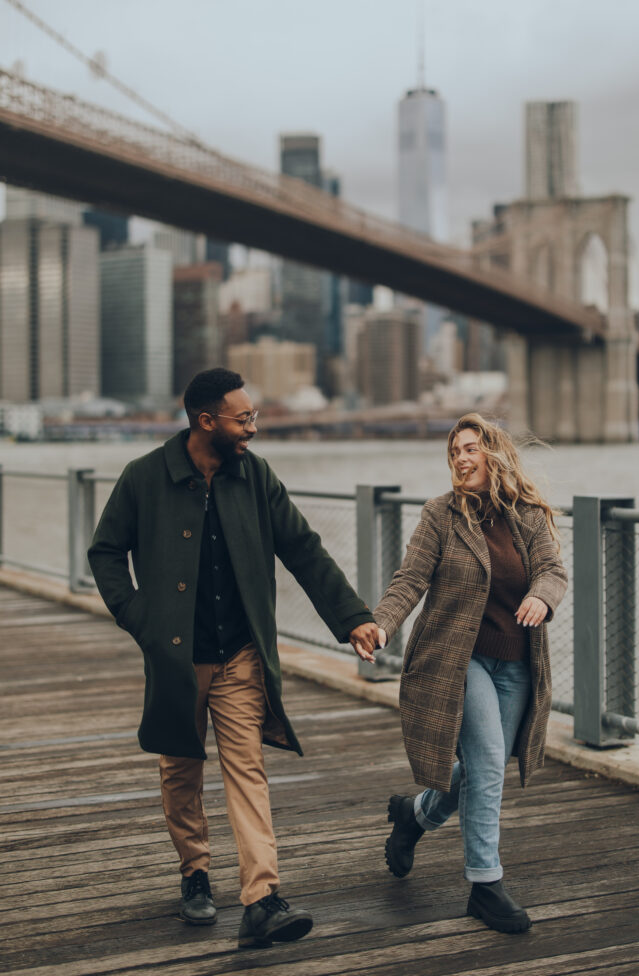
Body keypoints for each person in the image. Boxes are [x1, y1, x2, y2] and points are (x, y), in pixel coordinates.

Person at [88, 368, 382, 949]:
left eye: (252, 416)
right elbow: (105, 552)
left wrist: (351, 617)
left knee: (246, 769)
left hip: (242, 655)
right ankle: (195, 873)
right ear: (206, 421)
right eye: (242, 418)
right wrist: (139, 618)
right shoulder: (144, 477)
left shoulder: (255, 476)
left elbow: (302, 547)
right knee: (180, 768)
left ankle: (262, 898)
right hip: (178, 659)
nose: (252, 427)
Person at [374, 413, 567, 934]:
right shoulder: (441, 515)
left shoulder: (526, 514)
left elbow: (552, 569)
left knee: (486, 767)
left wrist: (540, 598)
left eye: (470, 449)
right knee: (483, 761)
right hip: (459, 660)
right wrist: (381, 627)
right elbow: (410, 578)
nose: (460, 458)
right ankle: (485, 884)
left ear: (494, 454)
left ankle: (414, 816)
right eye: (454, 450)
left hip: (517, 663)